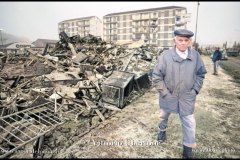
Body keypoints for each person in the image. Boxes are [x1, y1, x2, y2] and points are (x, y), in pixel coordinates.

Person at [152, 29, 207, 158]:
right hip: (168, 96)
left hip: (187, 97)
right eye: (180, 40)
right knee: (164, 116)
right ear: (175, 41)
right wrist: (165, 93)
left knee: (189, 123)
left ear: (190, 41)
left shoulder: (195, 56)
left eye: (186, 40)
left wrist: (194, 90)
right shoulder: (165, 56)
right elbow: (156, 76)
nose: (183, 43)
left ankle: (187, 151)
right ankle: (162, 132)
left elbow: (201, 74)